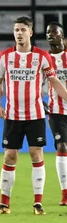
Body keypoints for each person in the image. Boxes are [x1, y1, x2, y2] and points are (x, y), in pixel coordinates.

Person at [0, 16, 67, 215]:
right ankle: (4, 204)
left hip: (35, 115)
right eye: (16, 30)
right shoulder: (4, 56)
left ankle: (38, 204)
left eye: (23, 30)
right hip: (13, 115)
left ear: (30, 33)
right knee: (10, 156)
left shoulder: (42, 56)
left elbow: (55, 81)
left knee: (36, 154)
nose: (19, 33)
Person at [45, 22, 67, 205]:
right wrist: (40, 102)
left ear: (62, 35)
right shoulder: (43, 59)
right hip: (56, 111)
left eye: (54, 32)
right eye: (47, 32)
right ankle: (65, 194)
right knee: (62, 147)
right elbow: (35, 83)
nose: (50, 35)